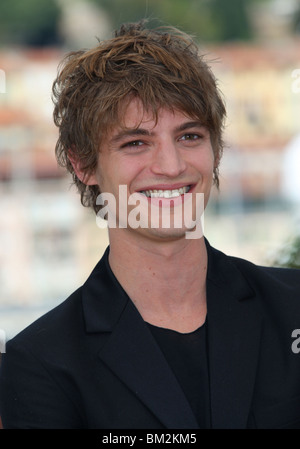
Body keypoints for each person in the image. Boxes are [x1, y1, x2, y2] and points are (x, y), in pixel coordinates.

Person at [0, 20, 300, 430]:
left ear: (215, 150)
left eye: (190, 136)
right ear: (83, 163)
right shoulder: (41, 363)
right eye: (136, 143)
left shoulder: (293, 308)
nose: (171, 166)